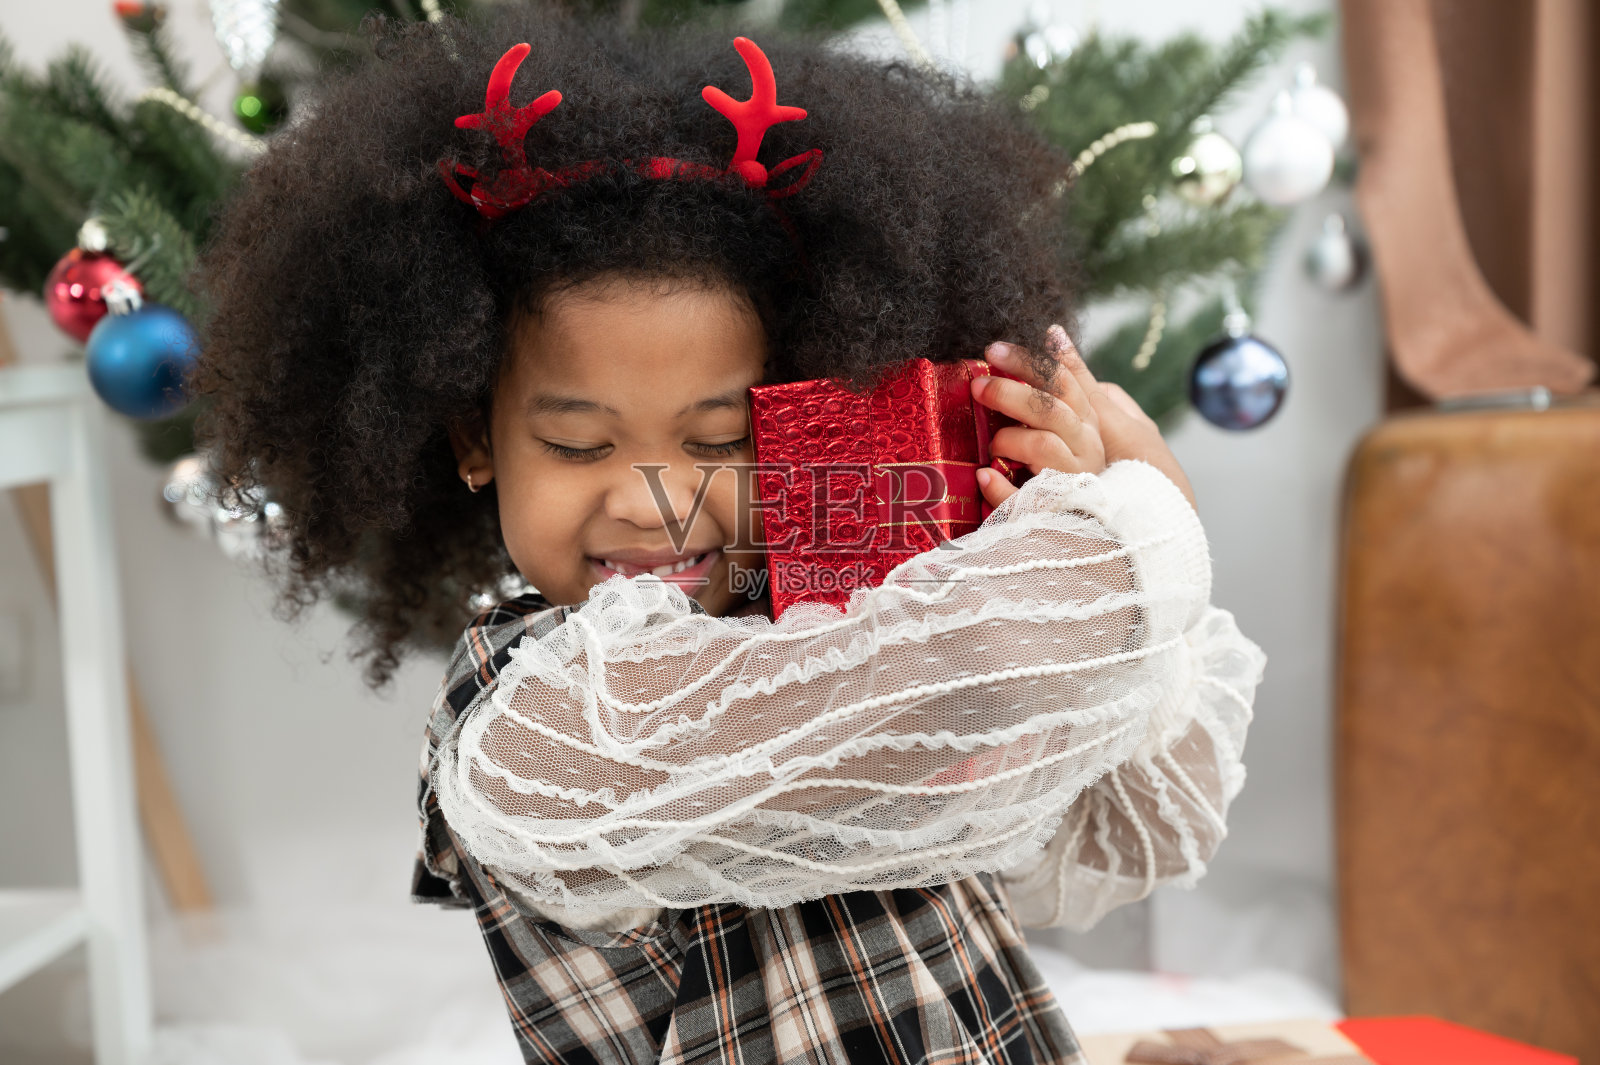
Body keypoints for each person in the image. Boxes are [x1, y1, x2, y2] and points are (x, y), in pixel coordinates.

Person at [192, 4, 1265, 1063]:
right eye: (578, 446)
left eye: (722, 441)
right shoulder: (541, 727)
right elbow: (972, 659)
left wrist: (1066, 514)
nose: (655, 500)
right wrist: (1133, 510)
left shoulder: (835, 628)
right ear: (475, 440)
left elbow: (1134, 834)